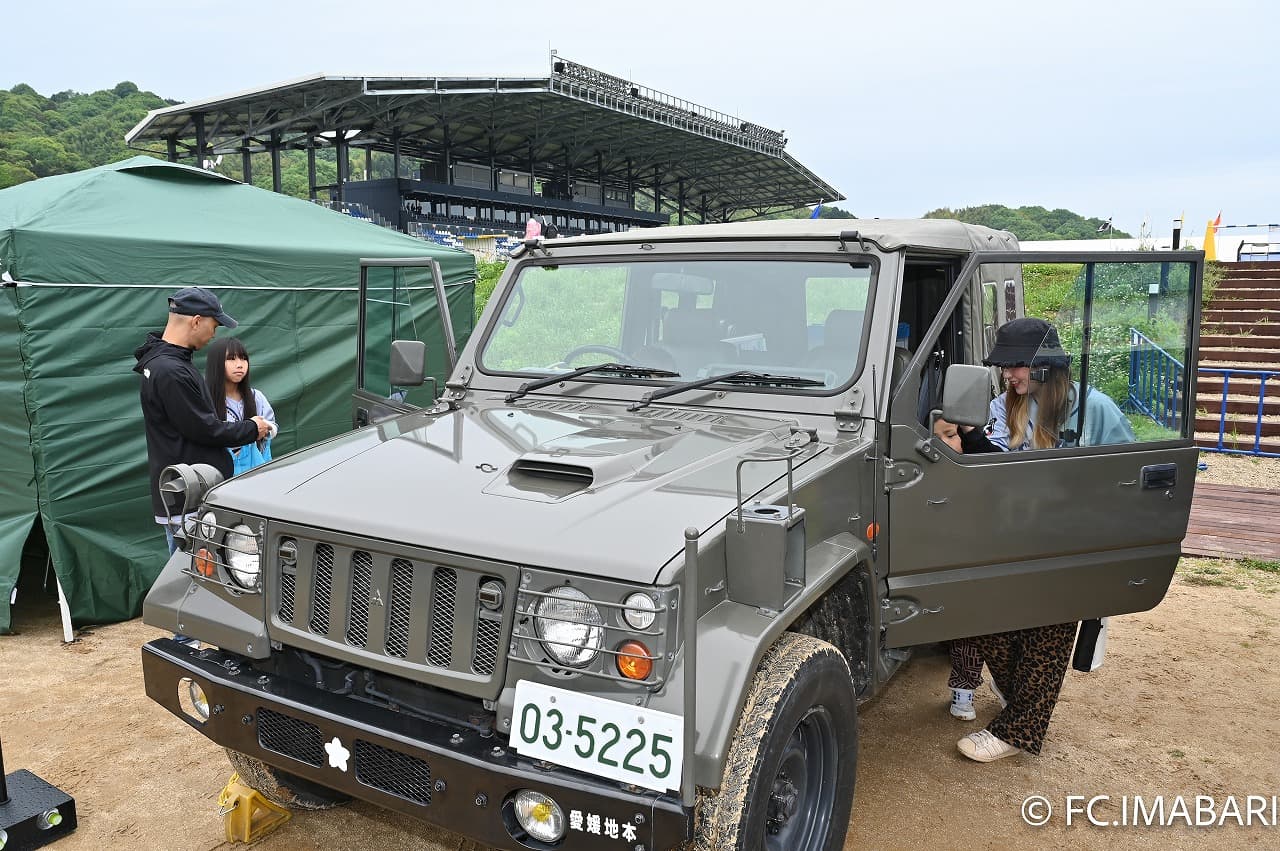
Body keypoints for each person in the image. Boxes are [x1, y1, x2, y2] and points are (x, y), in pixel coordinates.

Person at [955, 317, 1133, 762]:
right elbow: (995, 470)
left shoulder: (1096, 409)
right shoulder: (1004, 407)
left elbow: (1129, 474)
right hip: (1013, 539)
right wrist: (972, 441)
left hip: (1069, 542)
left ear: (1045, 366)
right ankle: (1023, 705)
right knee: (985, 619)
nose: (1008, 374)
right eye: (1004, 365)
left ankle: (1016, 731)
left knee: (1048, 632)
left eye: (1016, 365)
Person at [134, 287, 269, 554]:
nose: (213, 335)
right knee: (194, 583)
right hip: (188, 501)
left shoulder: (165, 363)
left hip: (187, 493)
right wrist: (253, 428)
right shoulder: (171, 371)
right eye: (214, 326)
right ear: (196, 321)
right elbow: (205, 429)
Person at [206, 337, 279, 475]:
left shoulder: (256, 397)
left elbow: (273, 426)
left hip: (257, 471)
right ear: (216, 363)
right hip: (220, 475)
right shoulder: (206, 400)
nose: (240, 365)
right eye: (231, 358)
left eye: (243, 358)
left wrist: (265, 428)